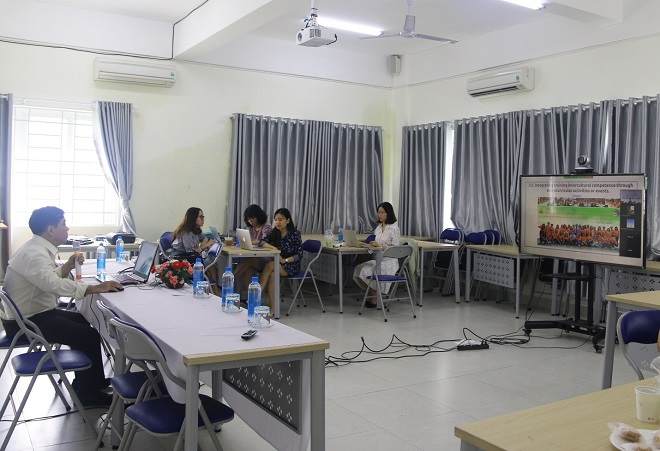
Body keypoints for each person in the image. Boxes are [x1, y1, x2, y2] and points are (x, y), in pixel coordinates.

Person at [0, 207, 124, 407]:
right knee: (87, 335)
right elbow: (53, 285)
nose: (67, 228)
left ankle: (89, 382)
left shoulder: (36, 249)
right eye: (64, 224)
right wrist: (94, 288)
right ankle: (89, 396)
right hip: (26, 323)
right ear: (50, 230)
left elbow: (45, 280)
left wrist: (67, 266)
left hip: (32, 314)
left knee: (84, 320)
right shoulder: (34, 254)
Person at [353, 202, 401, 308]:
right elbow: (375, 244)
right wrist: (363, 244)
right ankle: (374, 294)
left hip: (390, 261)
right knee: (359, 269)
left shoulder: (394, 229)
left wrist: (380, 246)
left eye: (382, 212)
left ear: (388, 213)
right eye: (379, 213)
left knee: (366, 270)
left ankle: (374, 298)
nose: (380, 215)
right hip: (379, 259)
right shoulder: (378, 228)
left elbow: (396, 250)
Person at [258, 208, 302, 310]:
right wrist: (272, 248)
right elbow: (262, 242)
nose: (277, 222)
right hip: (277, 263)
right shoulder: (275, 232)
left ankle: (256, 295)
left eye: (280, 220)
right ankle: (273, 308)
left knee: (270, 264)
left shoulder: (295, 234)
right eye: (276, 220)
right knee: (273, 275)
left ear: (288, 220)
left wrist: (284, 260)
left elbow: (299, 255)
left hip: (290, 264)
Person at [171, 207, 219, 292]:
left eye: (203, 217)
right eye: (201, 217)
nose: (203, 219)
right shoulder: (186, 233)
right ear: (193, 218)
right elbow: (191, 251)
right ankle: (214, 292)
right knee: (211, 266)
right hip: (182, 260)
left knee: (211, 267)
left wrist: (203, 244)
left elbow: (204, 238)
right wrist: (206, 245)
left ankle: (214, 291)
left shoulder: (195, 229)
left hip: (191, 258)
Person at [234, 204, 273, 292]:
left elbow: (263, 241)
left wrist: (250, 242)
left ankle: (232, 278)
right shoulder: (250, 227)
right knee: (248, 270)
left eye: (252, 218)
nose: (250, 221)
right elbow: (246, 238)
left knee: (250, 261)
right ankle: (252, 295)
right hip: (254, 256)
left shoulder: (266, 226)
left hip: (265, 256)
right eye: (248, 219)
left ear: (258, 216)